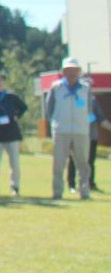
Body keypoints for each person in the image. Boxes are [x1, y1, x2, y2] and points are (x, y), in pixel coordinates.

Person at [45, 57, 94, 200]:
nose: (71, 73)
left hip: (81, 131)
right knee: (59, 163)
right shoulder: (56, 87)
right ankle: (57, 191)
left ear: (79, 71)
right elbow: (49, 109)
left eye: (74, 70)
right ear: (63, 72)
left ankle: (84, 191)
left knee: (83, 163)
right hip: (61, 130)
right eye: (68, 70)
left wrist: (87, 124)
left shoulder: (86, 88)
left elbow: (89, 109)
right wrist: (55, 124)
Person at [0, 71, 27, 196]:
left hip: (11, 133)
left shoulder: (11, 97)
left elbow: (24, 107)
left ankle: (15, 186)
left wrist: (17, 116)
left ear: (4, 82)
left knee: (14, 162)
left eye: (1, 81)